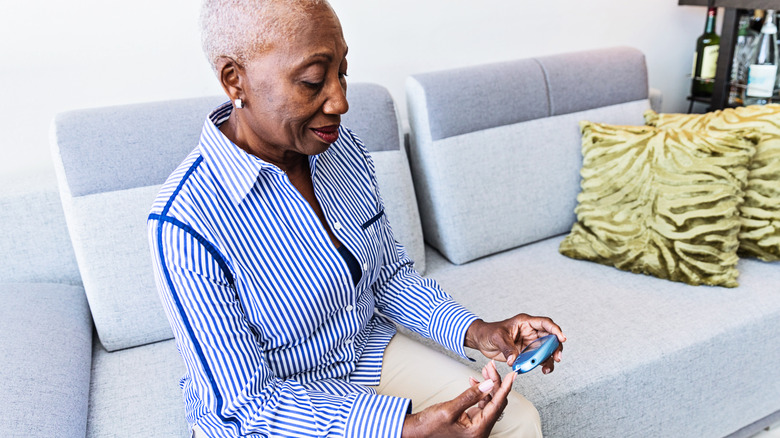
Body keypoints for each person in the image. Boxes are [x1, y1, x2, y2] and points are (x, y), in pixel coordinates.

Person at [148, 1, 566, 437]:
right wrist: (401, 429)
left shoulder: (342, 151)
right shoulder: (182, 223)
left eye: (341, 73)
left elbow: (389, 278)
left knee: (517, 422)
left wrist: (478, 331)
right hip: (275, 406)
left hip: (362, 354)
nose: (340, 101)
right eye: (313, 81)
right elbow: (245, 406)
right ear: (235, 80)